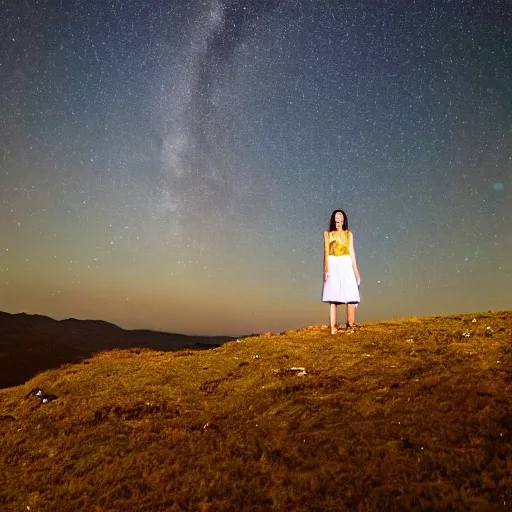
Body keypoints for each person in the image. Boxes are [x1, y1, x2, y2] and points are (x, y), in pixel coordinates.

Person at [322, 210, 361, 334]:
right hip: (333, 262)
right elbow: (326, 252)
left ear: (344, 219)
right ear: (333, 219)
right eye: (337, 215)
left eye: (341, 215)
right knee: (333, 294)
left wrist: (356, 271)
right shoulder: (328, 234)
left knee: (350, 291)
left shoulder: (349, 234)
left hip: (345, 261)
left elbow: (352, 252)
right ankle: (333, 327)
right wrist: (326, 269)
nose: (339, 217)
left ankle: (351, 324)